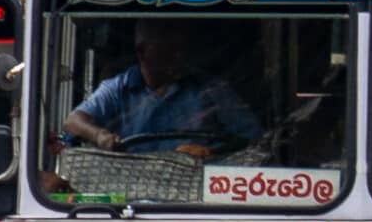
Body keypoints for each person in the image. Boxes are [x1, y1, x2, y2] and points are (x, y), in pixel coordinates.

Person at [64, 23, 259, 157]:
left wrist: (212, 152)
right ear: (142, 52)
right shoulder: (117, 88)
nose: (177, 58)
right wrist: (99, 135)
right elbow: (73, 121)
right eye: (168, 52)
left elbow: (252, 137)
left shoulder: (209, 89)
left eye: (180, 50)